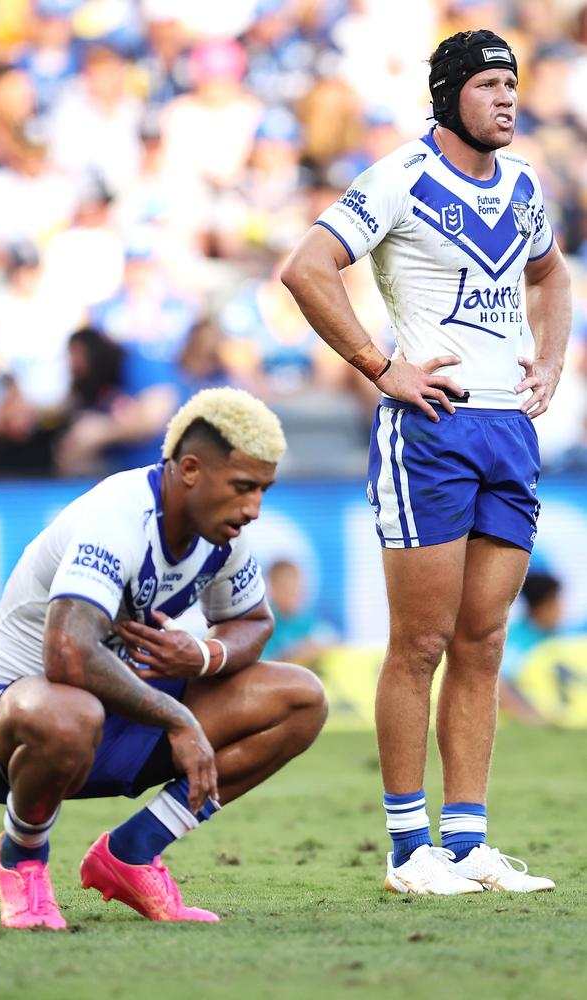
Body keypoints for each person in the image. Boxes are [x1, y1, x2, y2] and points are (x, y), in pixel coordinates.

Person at [281, 28, 571, 894]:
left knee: (483, 642)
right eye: (488, 84)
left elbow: (551, 279)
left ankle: (470, 840)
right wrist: (380, 367)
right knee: (421, 643)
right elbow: (307, 267)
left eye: (512, 84)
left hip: (507, 431)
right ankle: (411, 853)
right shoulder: (400, 178)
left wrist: (552, 361)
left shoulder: (523, 186)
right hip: (431, 428)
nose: (508, 99)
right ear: (449, 96)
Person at [0, 387, 327, 929]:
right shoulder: (119, 514)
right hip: (0, 728)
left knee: (300, 699)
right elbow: (67, 653)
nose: (253, 509)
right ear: (190, 470)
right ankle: (22, 857)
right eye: (243, 488)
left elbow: (254, 622)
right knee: (69, 713)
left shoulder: (224, 530)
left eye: (263, 489)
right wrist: (178, 716)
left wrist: (202, 654)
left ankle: (131, 852)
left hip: (110, 719)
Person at [499, 570, 563, 723]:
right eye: (556, 601)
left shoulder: (560, 636)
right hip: (536, 716)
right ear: (543, 606)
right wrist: (532, 718)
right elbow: (498, 683)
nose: (562, 608)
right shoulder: (514, 640)